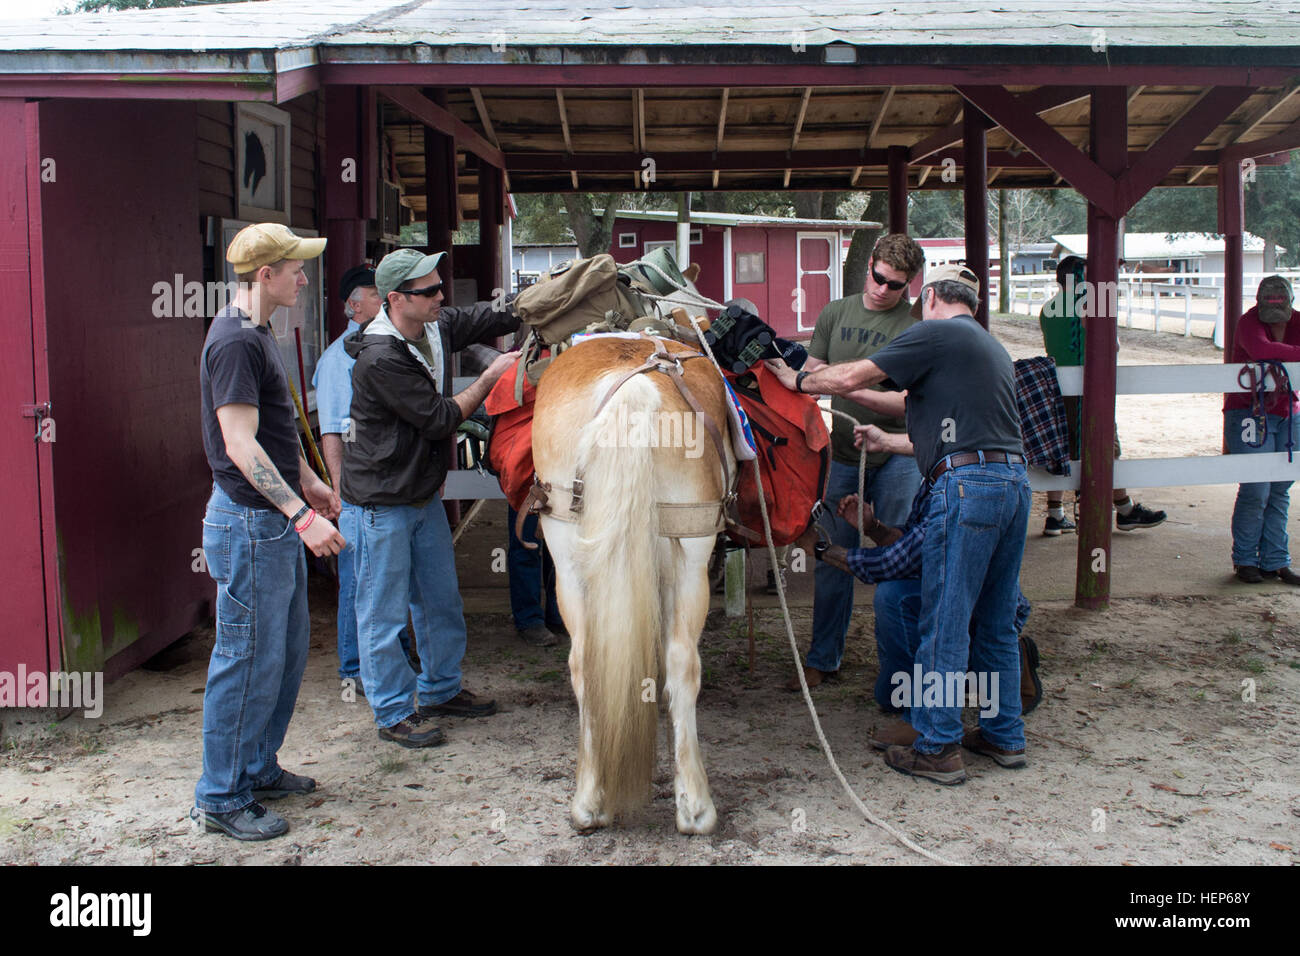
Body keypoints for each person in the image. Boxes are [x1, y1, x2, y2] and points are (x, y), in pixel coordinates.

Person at [769, 263, 1030, 786]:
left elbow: (848, 377)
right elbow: (929, 416)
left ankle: (937, 746)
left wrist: (795, 379)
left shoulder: (934, 333)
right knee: (996, 620)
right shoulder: (986, 347)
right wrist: (889, 441)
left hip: (968, 487)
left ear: (929, 297)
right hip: (1011, 483)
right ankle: (1004, 735)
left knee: (944, 619)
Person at [192, 223, 345, 841]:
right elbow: (240, 444)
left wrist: (307, 480)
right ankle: (221, 794)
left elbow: (276, 436)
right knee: (246, 658)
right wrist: (302, 515)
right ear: (266, 275)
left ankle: (255, 767)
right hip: (252, 525)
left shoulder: (258, 332)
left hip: (270, 521)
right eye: (296, 269)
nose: (304, 279)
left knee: (278, 657)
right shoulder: (234, 342)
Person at [344, 248, 520, 747]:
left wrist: (542, 299)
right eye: (430, 291)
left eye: (440, 287)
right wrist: (491, 377)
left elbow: (483, 315)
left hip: (421, 496)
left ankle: (441, 689)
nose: (442, 296)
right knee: (383, 614)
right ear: (396, 300)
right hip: (382, 503)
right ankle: (394, 712)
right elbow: (441, 418)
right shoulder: (380, 357)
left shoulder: (433, 325)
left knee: (440, 602)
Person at [790, 232, 927, 691]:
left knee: (900, 554)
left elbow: (910, 404)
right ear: (869, 265)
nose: (883, 289)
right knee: (831, 555)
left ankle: (903, 671)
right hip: (843, 452)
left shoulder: (914, 328)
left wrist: (842, 387)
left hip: (895, 453)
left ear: (909, 285)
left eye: (895, 285)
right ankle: (823, 658)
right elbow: (809, 374)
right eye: (879, 278)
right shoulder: (835, 312)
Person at [797, 485, 1040, 738]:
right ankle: (977, 712)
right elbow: (913, 546)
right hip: (975, 607)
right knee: (893, 693)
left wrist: (821, 549)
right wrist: (872, 527)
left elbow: (893, 561)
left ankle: (934, 727)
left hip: (980, 612)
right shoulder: (939, 478)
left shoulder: (958, 483)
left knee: (917, 611)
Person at [313, 264, 421, 693]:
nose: (385, 300)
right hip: (358, 491)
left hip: (390, 488)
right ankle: (355, 669)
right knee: (360, 581)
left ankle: (394, 657)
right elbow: (333, 432)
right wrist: (340, 493)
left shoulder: (391, 347)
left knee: (389, 580)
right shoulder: (339, 359)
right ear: (353, 306)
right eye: (377, 295)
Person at [1038, 255, 1166, 536]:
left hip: (1058, 386)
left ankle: (1055, 514)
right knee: (1107, 447)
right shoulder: (1092, 307)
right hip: (1088, 389)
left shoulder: (1048, 309)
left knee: (1064, 448)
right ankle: (1125, 509)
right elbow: (1113, 346)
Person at [1224, 275, 1300, 585]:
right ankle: (1245, 559)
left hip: (1287, 411)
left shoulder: (1297, 320)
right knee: (1256, 488)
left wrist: (1278, 351)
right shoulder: (1248, 322)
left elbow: (1270, 351)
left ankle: (1275, 560)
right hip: (1249, 411)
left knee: (1280, 488)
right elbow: (1261, 349)